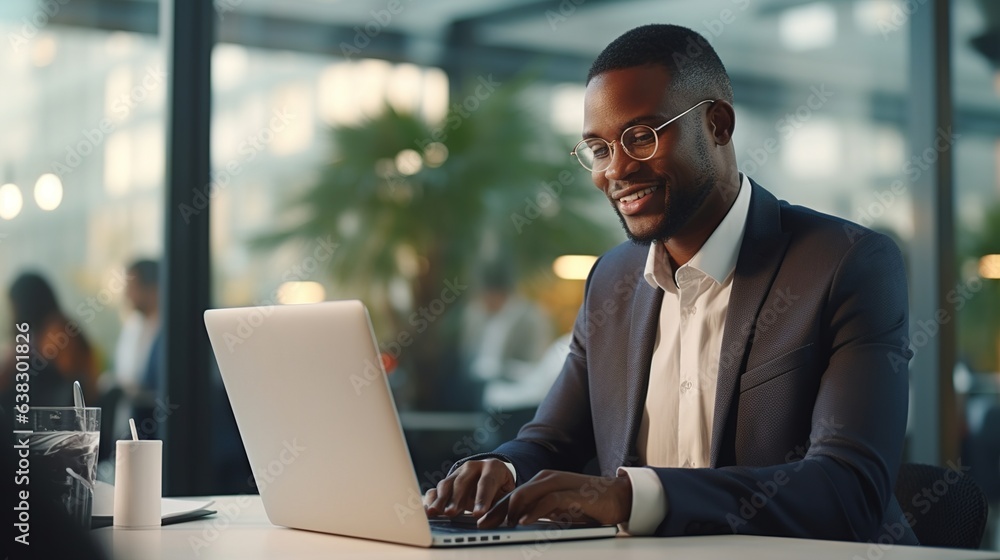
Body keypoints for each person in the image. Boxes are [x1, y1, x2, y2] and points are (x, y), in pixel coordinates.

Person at [424, 24, 917, 545]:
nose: (615, 170)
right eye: (598, 147)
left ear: (718, 125)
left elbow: (848, 489)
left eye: (641, 137)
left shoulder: (847, 263)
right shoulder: (610, 281)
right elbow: (550, 442)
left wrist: (629, 498)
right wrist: (500, 468)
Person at [1, 272, 100, 408]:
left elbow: (57, 378)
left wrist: (18, 359)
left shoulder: (58, 331)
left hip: (72, 411)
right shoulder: (49, 329)